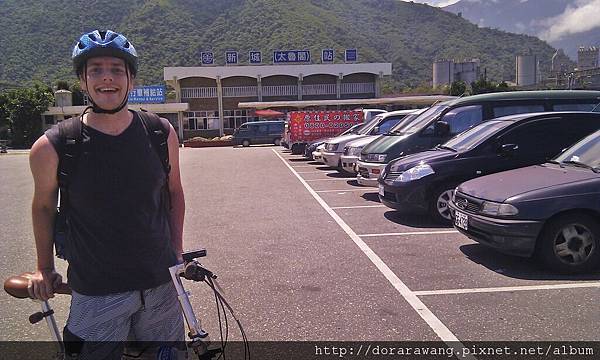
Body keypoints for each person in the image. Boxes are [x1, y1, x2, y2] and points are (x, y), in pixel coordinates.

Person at [28, 30, 186, 358]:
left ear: (131, 78)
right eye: (95, 70)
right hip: (97, 294)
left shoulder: (160, 132)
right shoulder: (54, 146)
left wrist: (177, 250)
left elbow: (174, 193)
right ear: (83, 81)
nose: (107, 78)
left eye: (116, 69)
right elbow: (44, 207)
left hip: (160, 288)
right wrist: (44, 267)